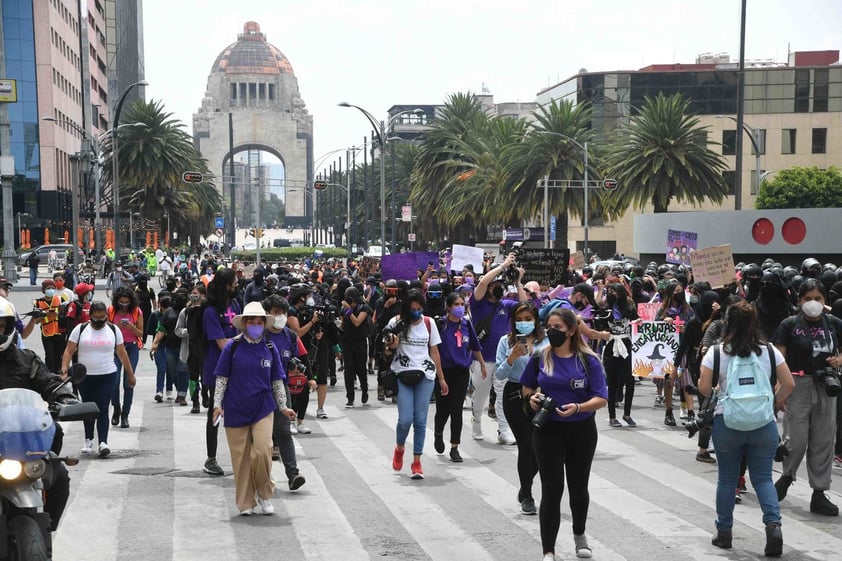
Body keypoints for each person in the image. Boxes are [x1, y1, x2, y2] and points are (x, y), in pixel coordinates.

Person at [699, 301, 795, 556]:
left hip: (727, 423)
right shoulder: (770, 351)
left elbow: (705, 389)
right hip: (763, 424)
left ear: (727, 323)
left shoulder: (717, 353)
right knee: (763, 478)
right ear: (755, 323)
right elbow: (789, 384)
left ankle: (724, 532)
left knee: (727, 479)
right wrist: (773, 401)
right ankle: (773, 526)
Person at [520, 308, 608, 561]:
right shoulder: (539, 356)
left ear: (571, 330)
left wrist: (579, 407)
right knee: (551, 488)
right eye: (549, 326)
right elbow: (526, 387)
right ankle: (549, 550)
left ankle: (579, 534)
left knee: (578, 488)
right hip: (548, 430)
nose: (551, 331)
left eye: (558, 327)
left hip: (581, 430)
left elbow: (601, 398)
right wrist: (533, 398)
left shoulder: (588, 360)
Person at [212, 301, 297, 515]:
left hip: (263, 406)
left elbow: (277, 380)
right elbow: (222, 378)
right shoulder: (233, 346)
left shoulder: (270, 348)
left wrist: (284, 407)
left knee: (262, 451)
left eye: (260, 322)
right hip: (235, 406)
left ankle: (265, 493)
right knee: (240, 459)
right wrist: (217, 405)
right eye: (252, 321)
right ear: (244, 323)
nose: (256, 325)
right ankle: (245, 502)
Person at [0, 296, 73, 531]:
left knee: (59, 474)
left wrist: (64, 397)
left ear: (9, 327)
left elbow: (48, 381)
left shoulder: (26, 359)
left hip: (21, 441)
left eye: (0, 325)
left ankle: (48, 526)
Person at [773, 278, 842, 516]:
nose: (813, 303)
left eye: (818, 299)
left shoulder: (834, 324)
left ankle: (819, 492)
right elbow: (778, 360)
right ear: (799, 300)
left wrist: (839, 360)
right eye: (808, 299)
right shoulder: (789, 324)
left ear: (825, 301)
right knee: (795, 438)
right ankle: (787, 476)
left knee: (823, 441)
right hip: (797, 385)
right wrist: (778, 391)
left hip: (827, 386)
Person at [383, 290, 447, 479]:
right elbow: (385, 350)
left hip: (426, 375)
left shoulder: (429, 323)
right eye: (412, 310)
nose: (416, 313)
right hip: (403, 374)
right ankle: (400, 447)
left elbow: (434, 352)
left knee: (420, 420)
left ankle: (417, 461)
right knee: (405, 420)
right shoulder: (396, 322)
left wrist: (441, 379)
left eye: (419, 309)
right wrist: (391, 346)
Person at [60, 301, 136, 458]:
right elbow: (68, 351)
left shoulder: (113, 330)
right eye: (96, 317)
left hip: (107, 374)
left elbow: (122, 353)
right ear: (90, 316)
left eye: (103, 317)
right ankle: (88, 439)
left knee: (102, 408)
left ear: (107, 316)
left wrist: (130, 373)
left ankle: (103, 442)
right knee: (88, 408)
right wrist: (64, 370)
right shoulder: (80, 330)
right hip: (84, 377)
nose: (100, 321)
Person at [495, 301, 548, 515]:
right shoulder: (505, 342)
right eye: (520, 320)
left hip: (539, 394)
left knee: (539, 448)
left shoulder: (544, 343)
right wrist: (511, 358)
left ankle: (525, 482)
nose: (524, 323)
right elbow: (499, 375)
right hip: (515, 394)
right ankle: (527, 494)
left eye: (528, 319)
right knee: (525, 445)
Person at [470, 253, 526, 444]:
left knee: (502, 395)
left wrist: (518, 282)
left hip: (503, 358)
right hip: (482, 358)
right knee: (481, 394)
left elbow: (524, 305)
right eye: (495, 284)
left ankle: (504, 431)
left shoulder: (506, 305)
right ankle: (476, 422)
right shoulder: (478, 303)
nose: (498, 287)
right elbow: (482, 284)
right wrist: (502, 266)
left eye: (501, 284)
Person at [263, 294, 310, 490]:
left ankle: (293, 474)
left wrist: (296, 368)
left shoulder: (290, 335)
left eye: (283, 312)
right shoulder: (258, 334)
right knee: (259, 437)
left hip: (281, 389)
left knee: (283, 432)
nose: (281, 316)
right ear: (267, 314)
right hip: (259, 391)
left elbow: (296, 358)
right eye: (276, 313)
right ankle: (259, 477)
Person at [435, 292, 484, 463]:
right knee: (443, 409)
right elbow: (433, 350)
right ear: (448, 307)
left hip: (462, 372)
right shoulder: (441, 324)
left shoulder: (466, 324)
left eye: (462, 304)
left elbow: (474, 345)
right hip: (444, 372)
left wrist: (483, 364)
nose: (460, 307)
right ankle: (438, 432)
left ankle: (455, 446)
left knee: (457, 410)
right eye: (456, 304)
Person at [201, 268, 241, 476]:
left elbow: (243, 329)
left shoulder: (235, 304)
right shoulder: (209, 311)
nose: (237, 286)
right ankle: (211, 458)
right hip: (217, 370)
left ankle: (242, 455)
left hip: (239, 368)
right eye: (234, 282)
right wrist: (243, 342)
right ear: (226, 285)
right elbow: (221, 343)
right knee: (215, 414)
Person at [600, 283, 639, 428]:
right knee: (612, 382)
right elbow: (599, 327)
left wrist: (637, 323)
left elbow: (638, 324)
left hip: (627, 346)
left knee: (630, 381)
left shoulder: (629, 309)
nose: (612, 294)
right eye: (609, 291)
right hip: (611, 346)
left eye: (614, 291)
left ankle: (627, 414)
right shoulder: (605, 311)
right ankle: (612, 416)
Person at [108, 287, 144, 428]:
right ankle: (116, 407)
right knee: (114, 380)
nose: (124, 305)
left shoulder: (136, 311)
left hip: (131, 347)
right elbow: (104, 328)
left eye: (126, 302)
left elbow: (141, 333)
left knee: (128, 382)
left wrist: (131, 327)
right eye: (121, 302)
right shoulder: (110, 310)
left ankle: (125, 414)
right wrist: (115, 326)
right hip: (115, 348)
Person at [21, 279, 68, 372]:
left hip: (60, 333)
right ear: (44, 290)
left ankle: (58, 375)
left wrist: (58, 314)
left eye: (52, 288)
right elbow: (36, 321)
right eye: (48, 288)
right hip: (47, 333)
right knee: (50, 356)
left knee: (59, 355)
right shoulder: (38, 303)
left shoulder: (60, 299)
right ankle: (49, 375)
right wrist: (46, 315)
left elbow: (65, 315)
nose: (50, 290)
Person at [339, 286, 372, 407]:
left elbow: (357, 322)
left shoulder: (363, 307)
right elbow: (342, 326)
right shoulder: (343, 309)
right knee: (349, 369)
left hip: (360, 341)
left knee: (361, 369)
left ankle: (364, 390)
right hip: (347, 341)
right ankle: (350, 397)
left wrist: (349, 311)